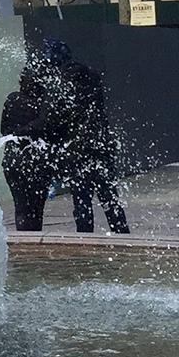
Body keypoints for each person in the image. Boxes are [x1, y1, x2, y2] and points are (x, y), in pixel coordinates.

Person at [38, 39, 130, 234]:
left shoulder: (62, 82)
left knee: (82, 200)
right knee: (109, 197)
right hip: (100, 145)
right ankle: (122, 235)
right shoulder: (91, 77)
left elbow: (55, 117)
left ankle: (85, 240)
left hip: (78, 150)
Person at [1, 57, 55, 231]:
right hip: (37, 161)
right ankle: (35, 241)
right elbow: (48, 130)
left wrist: (17, 133)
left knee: (21, 207)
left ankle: (24, 241)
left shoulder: (12, 99)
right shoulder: (44, 104)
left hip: (13, 160)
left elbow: (3, 130)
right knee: (36, 208)